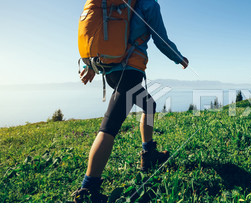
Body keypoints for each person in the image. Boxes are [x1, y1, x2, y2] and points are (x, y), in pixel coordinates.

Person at [72, 0, 189, 203]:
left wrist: (91, 66)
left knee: (149, 105)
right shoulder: (148, 4)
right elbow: (161, 39)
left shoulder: (113, 3)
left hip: (110, 71)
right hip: (130, 71)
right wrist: (179, 58)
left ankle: (149, 153)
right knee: (109, 127)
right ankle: (88, 189)